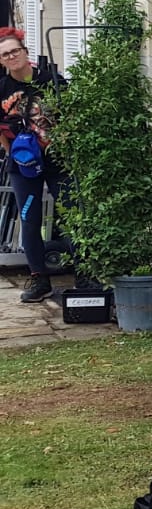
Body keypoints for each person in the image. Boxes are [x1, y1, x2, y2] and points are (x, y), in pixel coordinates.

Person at [0, 27, 67, 302]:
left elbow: (70, 114)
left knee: (74, 212)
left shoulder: (50, 80)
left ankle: (89, 274)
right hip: (23, 165)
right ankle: (40, 279)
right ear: (1, 60)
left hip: (57, 161)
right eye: (5, 54)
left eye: (15, 50)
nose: (12, 56)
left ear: (25, 53)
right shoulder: (2, 88)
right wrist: (12, 152)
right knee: (29, 220)